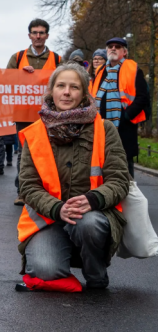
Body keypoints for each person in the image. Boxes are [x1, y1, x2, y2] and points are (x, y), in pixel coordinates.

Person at [17, 62, 129, 291]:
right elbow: (28, 186)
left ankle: (95, 274)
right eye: (61, 86)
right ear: (51, 91)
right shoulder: (35, 132)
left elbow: (119, 180)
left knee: (87, 224)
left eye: (74, 87)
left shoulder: (105, 129)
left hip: (93, 214)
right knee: (45, 270)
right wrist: (58, 208)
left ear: (84, 93)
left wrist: (92, 200)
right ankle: (61, 252)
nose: (66, 92)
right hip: (49, 217)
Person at [7, 18, 61, 205]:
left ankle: (47, 191)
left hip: (50, 114)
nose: (38, 36)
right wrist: (19, 74)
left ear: (47, 35)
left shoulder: (57, 59)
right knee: (24, 153)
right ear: (29, 35)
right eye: (35, 32)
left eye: (41, 32)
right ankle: (23, 191)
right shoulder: (18, 57)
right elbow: (4, 83)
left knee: (50, 152)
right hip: (23, 113)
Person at [90, 37, 149, 178]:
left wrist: (127, 116)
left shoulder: (132, 68)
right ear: (107, 50)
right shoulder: (100, 71)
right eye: (110, 46)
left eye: (117, 46)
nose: (113, 48)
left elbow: (143, 96)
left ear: (125, 52)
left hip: (124, 127)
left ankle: (128, 195)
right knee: (103, 163)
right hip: (101, 126)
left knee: (125, 166)